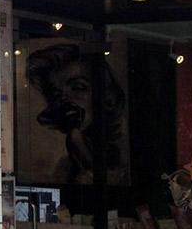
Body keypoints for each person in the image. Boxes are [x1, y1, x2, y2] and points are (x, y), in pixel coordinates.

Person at [25, 42, 127, 185]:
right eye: (56, 94)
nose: (65, 98)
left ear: (103, 94)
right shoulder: (65, 162)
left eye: (78, 87)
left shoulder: (121, 152)